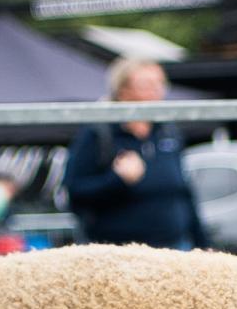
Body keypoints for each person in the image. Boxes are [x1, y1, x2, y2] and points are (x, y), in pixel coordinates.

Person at [62, 58, 205, 250]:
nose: (157, 91)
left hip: (175, 248)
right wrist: (118, 180)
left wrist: (202, 244)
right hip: (117, 252)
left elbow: (184, 193)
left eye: (161, 84)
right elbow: (74, 193)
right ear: (123, 92)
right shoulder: (98, 133)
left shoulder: (168, 131)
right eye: (147, 85)